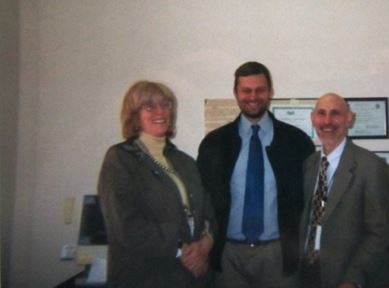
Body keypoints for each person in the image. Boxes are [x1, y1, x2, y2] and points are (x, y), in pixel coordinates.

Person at [197, 61, 315, 288]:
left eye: (260, 90)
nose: (253, 96)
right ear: (236, 93)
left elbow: (309, 201)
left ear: (270, 92)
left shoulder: (297, 142)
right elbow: (203, 199)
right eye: (246, 90)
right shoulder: (214, 144)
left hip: (279, 254)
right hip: (228, 255)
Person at [98, 81, 215, 288]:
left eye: (165, 104)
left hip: (191, 277)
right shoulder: (120, 159)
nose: (160, 111)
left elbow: (208, 211)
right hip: (146, 276)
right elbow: (126, 228)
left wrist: (205, 245)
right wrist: (183, 250)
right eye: (149, 106)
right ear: (134, 115)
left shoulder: (185, 162)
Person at [300, 93, 389, 288]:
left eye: (335, 114)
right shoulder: (309, 164)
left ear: (349, 118)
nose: (327, 121)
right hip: (306, 273)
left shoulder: (371, 167)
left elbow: (379, 234)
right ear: (313, 119)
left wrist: (352, 279)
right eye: (321, 113)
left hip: (345, 275)